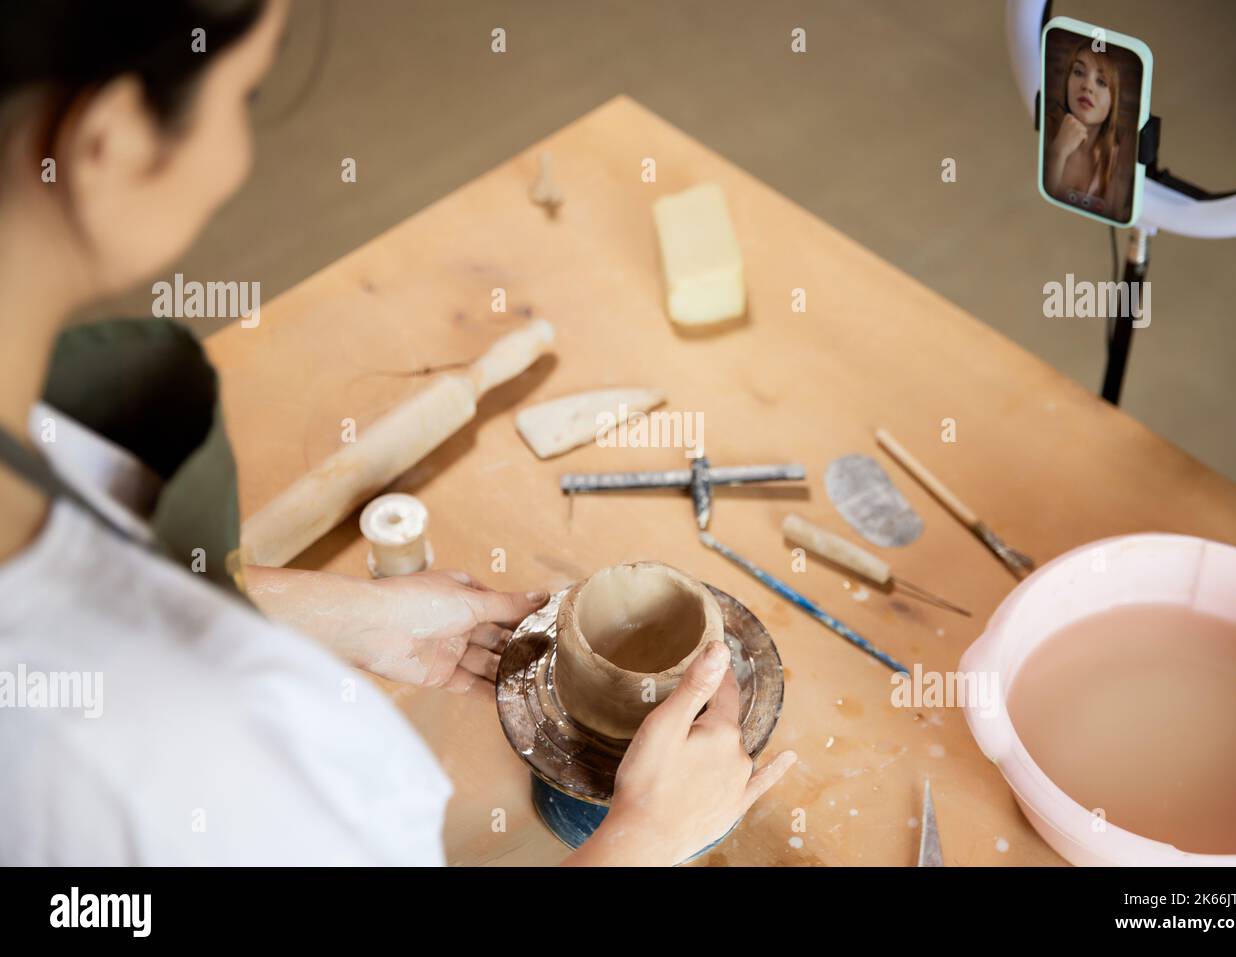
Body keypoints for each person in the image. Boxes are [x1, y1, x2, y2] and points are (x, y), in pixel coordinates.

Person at [0, 0, 795, 866]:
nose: (241, 153)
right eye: (248, 94)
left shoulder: (37, 442)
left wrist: (323, 611)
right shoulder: (188, 764)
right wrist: (643, 840)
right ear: (110, 141)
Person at [1044, 39, 1126, 218]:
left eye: (1101, 82)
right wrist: (1058, 152)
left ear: (1113, 101)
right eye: (1079, 72)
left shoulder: (1116, 159)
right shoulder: (1045, 131)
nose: (1087, 86)